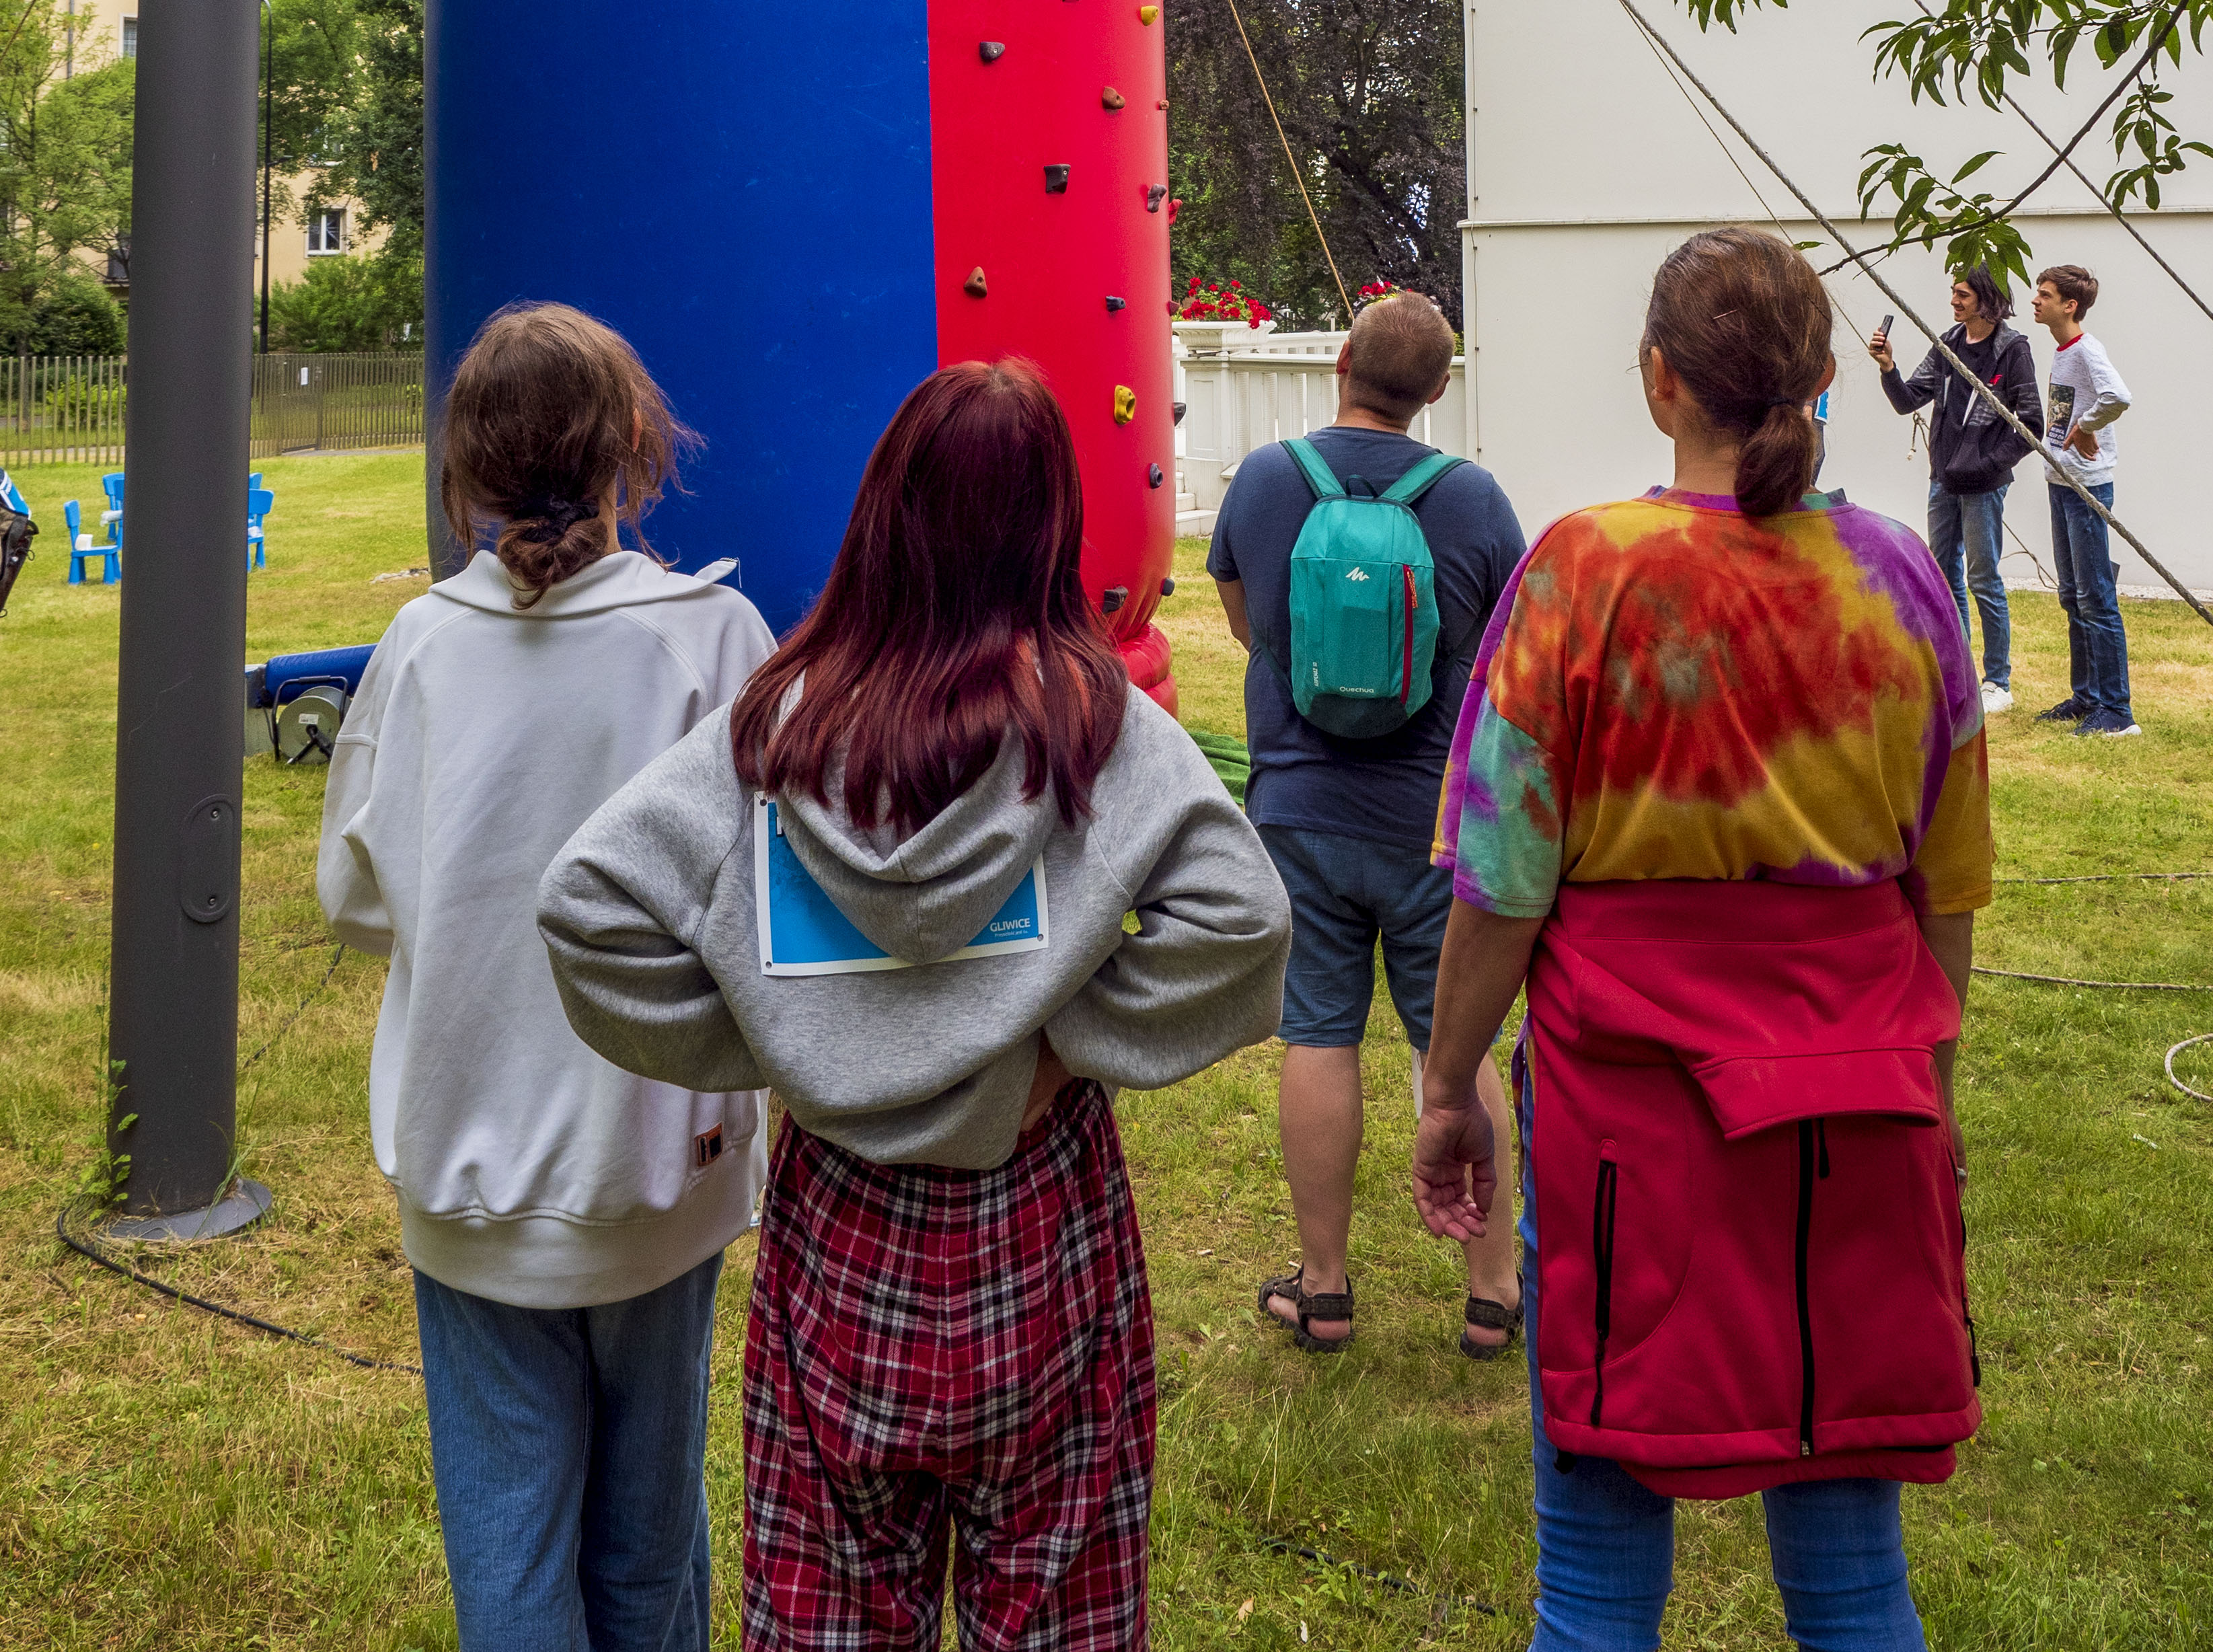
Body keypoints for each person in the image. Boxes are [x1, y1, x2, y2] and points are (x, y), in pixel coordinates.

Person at [537, 360, 1290, 1652]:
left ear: (882, 509)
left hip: (840, 1235)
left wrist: (796, 1045)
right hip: (1044, 1226)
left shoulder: (778, 717)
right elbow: (1246, 919)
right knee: (1058, 1611)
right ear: (1051, 522)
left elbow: (585, 908)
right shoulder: (1093, 718)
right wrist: (1061, 1036)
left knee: (830, 1611)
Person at [1413, 227, 1991, 1652]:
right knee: (1856, 1581)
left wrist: (1446, 1085)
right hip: (1861, 1104)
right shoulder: (1907, 582)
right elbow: (1949, 885)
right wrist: (1936, 1083)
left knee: (1598, 1592)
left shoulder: (1582, 575)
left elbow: (1502, 879)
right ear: (1815, 386)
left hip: (1630, 1126)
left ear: (1661, 383)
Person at [317, 303, 774, 1652]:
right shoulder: (713, 637)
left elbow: (352, 896)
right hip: (659, 1165)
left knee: (510, 1555)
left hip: (465, 1162)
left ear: (464, 469)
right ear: (637, 441)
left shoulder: (418, 650)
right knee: (649, 1538)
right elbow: (768, 906)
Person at [1207, 289, 1528, 1359]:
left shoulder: (1263, 479)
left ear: (1338, 361)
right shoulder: (1475, 499)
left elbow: (1254, 633)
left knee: (1319, 1034)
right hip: (1435, 821)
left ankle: (1326, 1286)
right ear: (1440, 389)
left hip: (1299, 811)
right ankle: (1493, 1289)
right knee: (1459, 1039)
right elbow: (1503, 655)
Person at [1869, 266, 2041, 712]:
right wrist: (1889, 368)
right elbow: (1908, 400)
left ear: (1987, 301)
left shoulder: (2011, 350)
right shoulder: (1948, 345)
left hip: (1983, 486)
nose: (1953, 300)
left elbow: (2031, 424)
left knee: (1983, 579)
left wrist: (1987, 465)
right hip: (1942, 482)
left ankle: (1998, 683)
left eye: (1962, 294)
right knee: (1945, 579)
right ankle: (1957, 671)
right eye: (1952, 293)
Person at [2030, 263, 2138, 738]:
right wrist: (2068, 435)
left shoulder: (2089, 349)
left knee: (2096, 597)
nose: (2036, 300)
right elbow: (2061, 413)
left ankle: (2117, 711)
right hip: (2061, 481)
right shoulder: (2062, 352)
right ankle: (2087, 696)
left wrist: (2087, 427)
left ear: (2069, 305)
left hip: (2087, 487)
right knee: (2073, 595)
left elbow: (2119, 396)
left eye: (2045, 294)